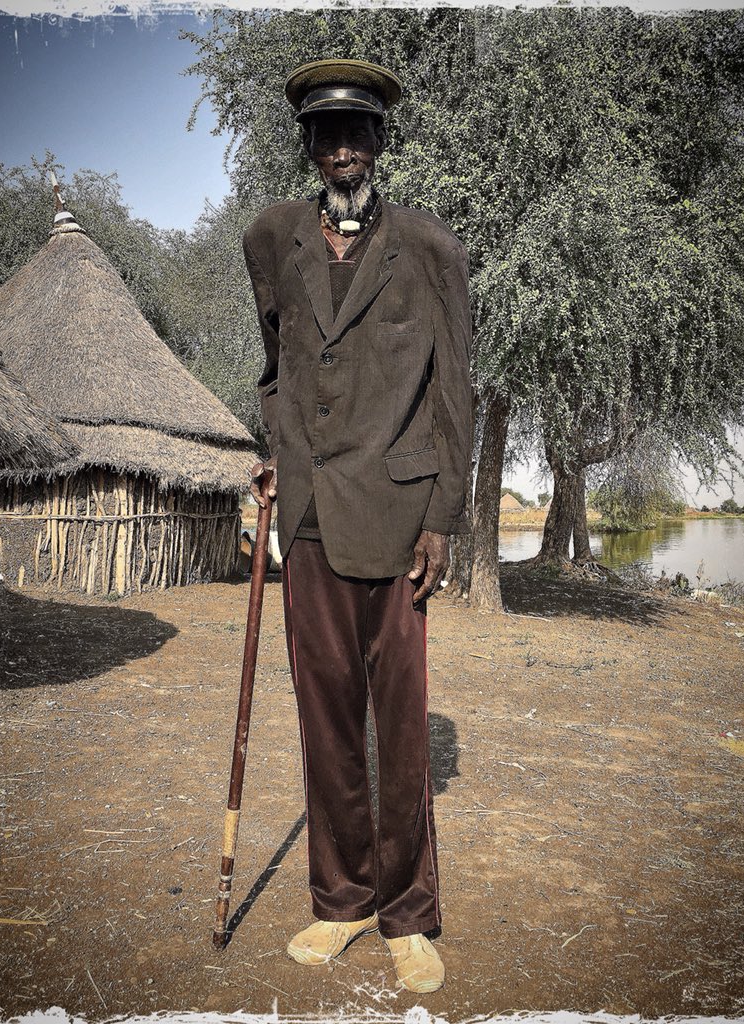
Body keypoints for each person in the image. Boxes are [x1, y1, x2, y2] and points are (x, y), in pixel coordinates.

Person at [243, 58, 472, 994]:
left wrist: (443, 517)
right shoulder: (270, 239)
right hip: (305, 519)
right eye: (325, 135)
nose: (343, 149)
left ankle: (409, 916)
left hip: (399, 515)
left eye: (358, 133)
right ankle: (340, 903)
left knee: (400, 728)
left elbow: (454, 391)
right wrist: (274, 451)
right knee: (326, 719)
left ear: (381, 142)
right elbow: (276, 367)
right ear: (308, 146)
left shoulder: (430, 250)